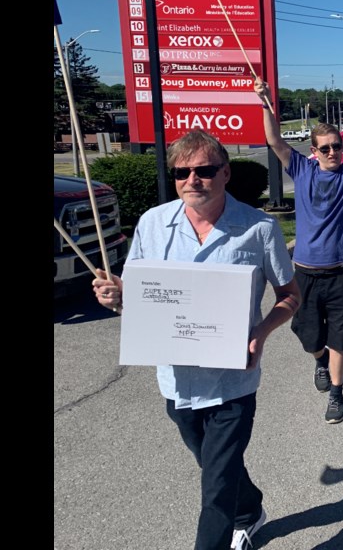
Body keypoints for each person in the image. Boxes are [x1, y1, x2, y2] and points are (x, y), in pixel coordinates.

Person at [91, 130, 301, 550]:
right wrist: (117, 296)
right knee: (214, 465)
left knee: (215, 485)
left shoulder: (259, 229)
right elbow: (138, 298)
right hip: (176, 380)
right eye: (183, 172)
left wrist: (261, 334)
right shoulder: (153, 224)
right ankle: (251, 508)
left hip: (233, 381)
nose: (193, 179)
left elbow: (291, 296)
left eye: (204, 170)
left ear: (224, 173)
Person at [254, 78, 343, 425]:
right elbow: (274, 140)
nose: (332, 152)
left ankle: (337, 393)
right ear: (313, 151)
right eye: (325, 148)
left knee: (339, 337)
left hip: (342, 273)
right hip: (306, 275)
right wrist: (265, 102)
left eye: (336, 147)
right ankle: (319, 360)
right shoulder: (302, 170)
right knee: (309, 335)